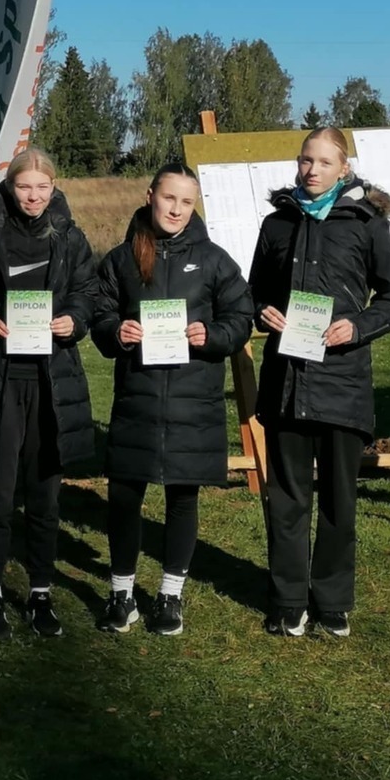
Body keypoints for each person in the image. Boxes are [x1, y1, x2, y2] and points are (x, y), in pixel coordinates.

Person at [249, 127, 390, 637]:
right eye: (305, 160)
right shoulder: (277, 223)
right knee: (287, 498)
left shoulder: (367, 224)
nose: (312, 170)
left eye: (323, 162)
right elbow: (254, 292)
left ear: (344, 168)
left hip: (342, 383)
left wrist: (357, 327)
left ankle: (333, 601)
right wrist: (262, 310)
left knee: (339, 502)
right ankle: (287, 600)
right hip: (286, 382)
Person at [91, 163, 253, 636]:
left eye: (186, 201)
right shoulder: (121, 258)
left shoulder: (215, 260)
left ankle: (169, 596)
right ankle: (121, 595)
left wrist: (213, 335)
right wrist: (116, 331)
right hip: (137, 400)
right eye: (169, 198)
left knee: (183, 498)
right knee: (124, 498)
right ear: (149, 196)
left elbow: (241, 317)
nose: (176, 209)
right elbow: (99, 313)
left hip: (193, 403)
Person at [0, 148, 96, 641]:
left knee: (46, 497)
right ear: (10, 188)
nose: (34, 196)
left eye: (42, 187)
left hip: (51, 382)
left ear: (55, 188)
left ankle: (40, 593)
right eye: (25, 187)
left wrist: (74, 320)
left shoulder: (70, 238)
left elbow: (87, 293)